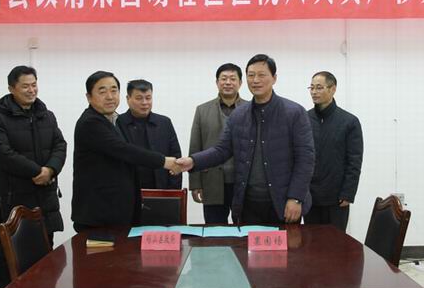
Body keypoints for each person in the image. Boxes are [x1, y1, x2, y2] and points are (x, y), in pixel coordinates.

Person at [177, 54, 314, 224]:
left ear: (274, 78)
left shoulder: (294, 112)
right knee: (245, 242)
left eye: (261, 75)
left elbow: (305, 159)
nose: (255, 80)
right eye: (251, 75)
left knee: (285, 243)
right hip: (248, 204)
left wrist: (296, 197)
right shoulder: (239, 115)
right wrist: (192, 161)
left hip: (283, 203)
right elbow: (222, 150)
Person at [0, 65, 66, 288]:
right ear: (11, 88)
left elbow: (60, 145)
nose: (31, 90)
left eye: (34, 85)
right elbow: (3, 153)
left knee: (44, 256)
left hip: (46, 198)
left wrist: (51, 169)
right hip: (16, 199)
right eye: (25, 86)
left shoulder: (46, 115)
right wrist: (36, 171)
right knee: (9, 258)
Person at [71, 71, 180, 231]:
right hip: (98, 214)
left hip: (116, 211)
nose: (110, 96)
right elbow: (125, 150)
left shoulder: (112, 120)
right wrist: (164, 161)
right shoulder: (91, 122)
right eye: (102, 91)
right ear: (89, 97)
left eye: (114, 90)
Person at [188, 63, 248, 224]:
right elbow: (195, 146)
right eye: (224, 78)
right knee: (214, 230)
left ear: (240, 83)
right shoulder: (202, 110)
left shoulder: (250, 109)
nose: (228, 82)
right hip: (211, 180)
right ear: (217, 82)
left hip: (243, 182)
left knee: (243, 229)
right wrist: (195, 183)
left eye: (232, 79)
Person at [304, 71, 363, 233]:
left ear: (333, 89)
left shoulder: (349, 122)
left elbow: (354, 161)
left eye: (319, 87)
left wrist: (348, 193)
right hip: (310, 196)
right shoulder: (304, 119)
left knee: (335, 243)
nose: (314, 92)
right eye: (311, 88)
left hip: (337, 197)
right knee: (311, 241)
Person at [117, 79, 182, 189]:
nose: (144, 103)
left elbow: (176, 159)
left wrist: (173, 192)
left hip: (161, 189)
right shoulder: (118, 123)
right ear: (128, 99)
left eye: (148, 98)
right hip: (127, 189)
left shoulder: (164, 123)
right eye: (139, 98)